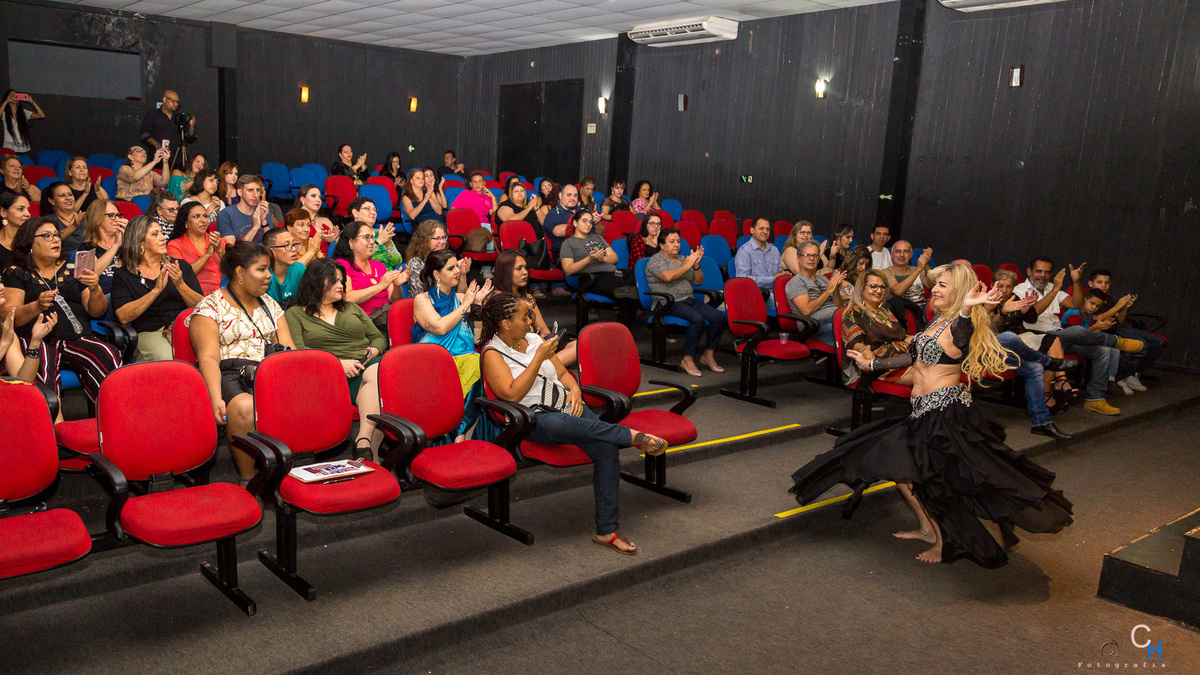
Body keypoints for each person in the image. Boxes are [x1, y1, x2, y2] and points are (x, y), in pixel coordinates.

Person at [790, 263, 1074, 568]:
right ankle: (928, 529)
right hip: (924, 412)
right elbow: (912, 358)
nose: (935, 290)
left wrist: (967, 309)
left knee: (934, 481)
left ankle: (944, 542)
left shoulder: (957, 325)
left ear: (961, 293)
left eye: (943, 286)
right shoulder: (937, 323)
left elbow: (963, 331)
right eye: (935, 284)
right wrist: (871, 366)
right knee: (899, 466)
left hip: (944, 415)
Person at [481, 292, 668, 555]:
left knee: (606, 448)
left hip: (565, 404)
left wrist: (575, 390)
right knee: (560, 424)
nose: (531, 321)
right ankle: (630, 435)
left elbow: (561, 374)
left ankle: (607, 530)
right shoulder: (492, 353)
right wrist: (537, 359)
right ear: (505, 324)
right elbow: (511, 394)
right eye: (524, 317)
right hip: (533, 418)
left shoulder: (534, 339)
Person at [192, 241, 295, 482]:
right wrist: (216, 397)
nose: (269, 276)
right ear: (239, 272)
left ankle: (287, 471)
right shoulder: (210, 307)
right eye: (261, 269)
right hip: (230, 373)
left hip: (269, 370)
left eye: (268, 269)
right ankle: (248, 479)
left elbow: (288, 349)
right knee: (244, 407)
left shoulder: (270, 304)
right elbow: (207, 358)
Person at [2, 216, 120, 402]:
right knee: (44, 362)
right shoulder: (16, 273)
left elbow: (96, 311)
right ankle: (52, 425)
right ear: (29, 242)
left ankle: (108, 422)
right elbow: (10, 315)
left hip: (77, 338)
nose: (55, 239)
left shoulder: (74, 269)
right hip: (38, 339)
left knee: (106, 353)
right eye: (46, 236)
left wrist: (95, 288)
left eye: (56, 235)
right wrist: (37, 306)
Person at [285, 259, 388, 460]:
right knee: (379, 387)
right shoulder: (295, 314)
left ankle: (363, 441)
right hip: (329, 373)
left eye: (342, 281)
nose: (341, 286)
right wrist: (337, 363)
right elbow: (299, 350)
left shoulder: (350, 308)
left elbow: (378, 337)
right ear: (316, 282)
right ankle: (370, 455)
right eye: (334, 281)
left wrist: (372, 352)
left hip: (368, 363)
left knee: (378, 373)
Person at [1014, 257, 1142, 416]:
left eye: (1047, 272)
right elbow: (1032, 315)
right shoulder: (1019, 290)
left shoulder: (1052, 287)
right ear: (1029, 271)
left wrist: (1076, 282)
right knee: (1076, 330)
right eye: (1039, 271)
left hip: (1060, 337)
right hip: (1038, 338)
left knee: (1103, 351)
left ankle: (1095, 399)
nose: (1043, 275)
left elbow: (1076, 304)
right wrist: (1054, 291)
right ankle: (1115, 341)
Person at [412, 249, 490, 442]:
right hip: (433, 362)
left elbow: (476, 340)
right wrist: (467, 305)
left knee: (482, 362)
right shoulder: (422, 300)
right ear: (436, 274)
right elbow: (440, 328)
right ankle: (459, 433)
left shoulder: (463, 298)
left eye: (457, 266)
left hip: (465, 360)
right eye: (451, 268)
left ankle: (460, 433)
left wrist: (477, 306)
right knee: (476, 363)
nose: (457, 270)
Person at [989, 269, 1077, 438]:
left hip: (1017, 348)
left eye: (1009, 286)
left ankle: (1041, 423)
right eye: (1001, 286)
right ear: (994, 285)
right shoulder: (987, 301)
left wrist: (1027, 309)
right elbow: (990, 328)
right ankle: (1049, 362)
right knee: (1009, 336)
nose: (1005, 290)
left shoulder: (1016, 299)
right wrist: (1003, 312)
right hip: (992, 347)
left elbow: (1030, 320)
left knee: (1036, 367)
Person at [111, 215, 202, 362]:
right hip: (149, 331)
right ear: (140, 243)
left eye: (161, 232)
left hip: (182, 327)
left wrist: (180, 285)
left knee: (206, 354)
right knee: (168, 359)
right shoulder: (124, 275)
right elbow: (123, 316)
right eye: (155, 234)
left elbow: (202, 305)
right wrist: (156, 291)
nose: (163, 237)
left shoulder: (180, 267)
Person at [646, 228, 725, 376]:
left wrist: (696, 266)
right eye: (672, 241)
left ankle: (708, 355)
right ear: (662, 245)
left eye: (678, 241)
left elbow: (698, 281)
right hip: (666, 303)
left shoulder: (683, 259)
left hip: (688, 300)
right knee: (698, 319)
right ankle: (687, 359)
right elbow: (667, 277)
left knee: (718, 317)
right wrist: (688, 265)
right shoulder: (655, 260)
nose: (676, 244)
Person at [488, 249, 576, 366]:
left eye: (525, 268)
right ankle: (541, 369)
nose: (525, 272)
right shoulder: (497, 299)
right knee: (576, 350)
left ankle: (546, 367)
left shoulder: (527, 297)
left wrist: (548, 339)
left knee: (579, 345)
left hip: (535, 346)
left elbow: (544, 329)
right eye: (519, 269)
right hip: (517, 352)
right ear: (505, 271)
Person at [1083, 268, 1163, 395]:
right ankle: (1120, 376)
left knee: (1157, 342)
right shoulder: (1088, 298)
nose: (1104, 285)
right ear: (1090, 283)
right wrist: (1117, 306)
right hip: (1104, 331)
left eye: (1107, 283)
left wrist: (1125, 308)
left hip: (1119, 328)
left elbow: (1119, 320)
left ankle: (1131, 373)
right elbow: (1096, 318)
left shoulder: (1109, 299)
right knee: (1140, 344)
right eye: (1099, 282)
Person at [559, 211, 639, 321]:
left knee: (638, 274)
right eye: (584, 221)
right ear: (575, 223)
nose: (588, 224)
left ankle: (626, 291)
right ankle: (621, 328)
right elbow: (568, 270)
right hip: (592, 278)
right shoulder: (568, 243)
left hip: (612, 273)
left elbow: (614, 258)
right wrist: (589, 259)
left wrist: (601, 258)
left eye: (591, 222)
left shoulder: (597, 237)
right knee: (630, 294)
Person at [839, 270, 914, 386]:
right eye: (873, 286)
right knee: (926, 377)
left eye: (882, 287)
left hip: (900, 358)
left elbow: (901, 336)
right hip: (880, 365)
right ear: (862, 289)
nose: (879, 291)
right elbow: (853, 342)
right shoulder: (855, 313)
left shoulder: (885, 311)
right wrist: (864, 350)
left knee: (936, 370)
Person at [331, 221, 408, 330]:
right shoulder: (342, 265)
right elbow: (347, 297)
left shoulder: (379, 265)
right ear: (351, 242)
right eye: (367, 237)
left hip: (384, 319)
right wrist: (380, 286)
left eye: (372, 237)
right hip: (359, 321)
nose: (372, 241)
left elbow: (393, 299)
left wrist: (397, 286)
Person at [786, 241, 847, 347]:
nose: (811, 258)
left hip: (836, 319)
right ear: (798, 259)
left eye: (814, 255)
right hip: (816, 326)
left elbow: (839, 306)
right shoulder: (796, 282)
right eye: (807, 255)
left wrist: (836, 288)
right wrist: (828, 290)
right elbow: (806, 310)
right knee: (851, 332)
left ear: (818, 259)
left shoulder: (823, 279)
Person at [168, 201, 224, 294]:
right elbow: (182, 276)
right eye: (196, 216)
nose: (203, 220)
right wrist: (207, 255)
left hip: (224, 294)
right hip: (196, 297)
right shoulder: (174, 245)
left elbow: (234, 270)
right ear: (185, 223)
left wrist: (219, 250)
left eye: (205, 216)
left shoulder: (218, 241)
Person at [405, 219, 467, 297]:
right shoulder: (416, 263)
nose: (442, 242)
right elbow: (421, 296)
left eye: (444, 237)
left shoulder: (448, 259)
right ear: (425, 240)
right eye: (437, 238)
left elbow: (461, 296)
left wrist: (462, 274)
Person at [76, 199, 127, 294]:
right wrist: (116, 246)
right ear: (97, 220)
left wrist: (131, 238)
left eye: (118, 215)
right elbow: (88, 276)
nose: (117, 219)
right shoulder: (86, 247)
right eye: (111, 215)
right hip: (103, 295)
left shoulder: (127, 243)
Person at [139, 90, 196, 171]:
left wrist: (192, 127)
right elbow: (144, 134)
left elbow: (189, 138)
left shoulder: (179, 117)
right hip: (159, 159)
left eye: (177, 102)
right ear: (164, 100)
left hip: (178, 159)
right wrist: (155, 143)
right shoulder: (152, 115)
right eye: (173, 101)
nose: (176, 104)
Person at [1, 304, 56, 384]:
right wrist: (4, 344)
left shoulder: (4, 329)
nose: (2, 290)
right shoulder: (5, 338)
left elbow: (24, 379)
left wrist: (35, 341)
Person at [345, 196, 401, 270]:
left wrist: (388, 244)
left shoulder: (380, 233)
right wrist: (379, 241)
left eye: (374, 210)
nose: (373, 212)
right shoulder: (348, 233)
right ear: (355, 213)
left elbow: (397, 262)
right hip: (365, 276)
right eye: (368, 209)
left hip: (388, 275)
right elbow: (353, 261)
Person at [217, 174, 272, 245]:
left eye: (258, 190)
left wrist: (264, 222)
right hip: (243, 255)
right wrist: (255, 227)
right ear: (240, 192)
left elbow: (272, 245)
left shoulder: (263, 212)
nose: (255, 195)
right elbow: (231, 250)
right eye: (250, 190)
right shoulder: (225, 215)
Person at [882, 240, 933, 313]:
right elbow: (898, 291)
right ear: (892, 255)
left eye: (906, 251)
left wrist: (926, 264)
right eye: (898, 251)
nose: (902, 255)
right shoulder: (886, 272)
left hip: (923, 312)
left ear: (911, 255)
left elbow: (930, 285)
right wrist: (918, 269)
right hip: (901, 314)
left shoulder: (917, 269)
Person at [734, 218, 783, 293]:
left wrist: (783, 274)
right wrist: (772, 279)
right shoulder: (745, 251)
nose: (765, 232)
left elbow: (779, 272)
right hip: (755, 292)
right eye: (761, 228)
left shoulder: (774, 250)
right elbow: (743, 279)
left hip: (776, 291)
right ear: (752, 230)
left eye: (768, 229)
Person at [262, 227, 305, 307]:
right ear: (271, 251)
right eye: (286, 245)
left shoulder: (300, 270)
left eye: (294, 244)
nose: (293, 249)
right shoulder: (263, 275)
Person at [39, 182, 84, 255]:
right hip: (60, 262)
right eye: (62, 195)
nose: (68, 198)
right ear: (52, 201)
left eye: (70, 194)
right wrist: (74, 226)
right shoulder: (46, 222)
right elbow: (50, 241)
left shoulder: (84, 218)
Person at [543, 183, 581, 257]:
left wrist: (596, 223)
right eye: (569, 195)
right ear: (560, 196)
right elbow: (558, 232)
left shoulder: (583, 211)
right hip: (566, 254)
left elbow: (601, 232)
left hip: (588, 249)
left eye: (575, 195)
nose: (572, 198)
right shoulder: (553, 213)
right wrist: (581, 224)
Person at [0, 192, 32, 269]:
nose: (28, 214)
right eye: (20, 209)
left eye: (28, 210)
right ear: (3, 212)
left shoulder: (32, 241)